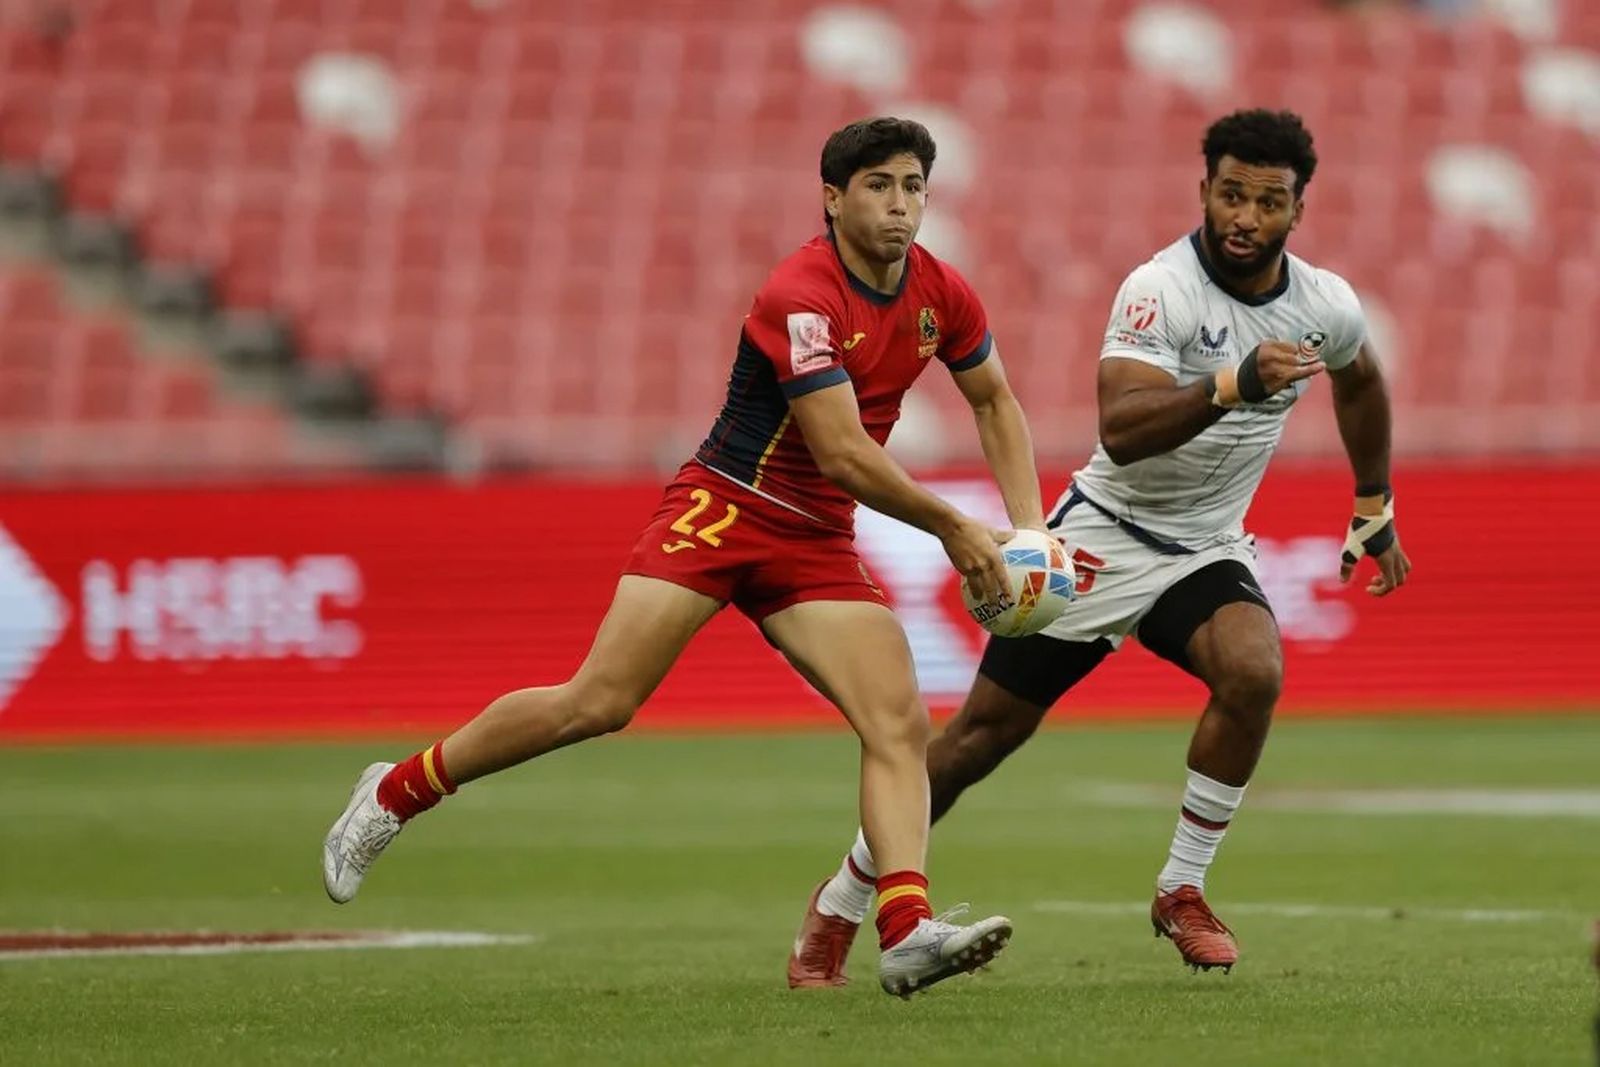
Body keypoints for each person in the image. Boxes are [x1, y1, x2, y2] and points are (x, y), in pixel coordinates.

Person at [322, 116, 1054, 997]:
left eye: (913, 188)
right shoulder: (802, 293)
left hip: (814, 538)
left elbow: (995, 400)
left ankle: (904, 927)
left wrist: (1029, 531)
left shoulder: (943, 290)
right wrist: (956, 527)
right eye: (879, 187)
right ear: (833, 197)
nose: (901, 207)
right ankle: (396, 792)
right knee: (599, 701)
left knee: (897, 719)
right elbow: (843, 452)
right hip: (725, 506)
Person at [787, 108, 1413, 985]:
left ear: (1297, 210)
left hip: (1204, 548)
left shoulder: (1325, 305)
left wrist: (1374, 496)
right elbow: (1121, 430)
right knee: (977, 742)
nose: (1244, 217)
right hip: (1101, 538)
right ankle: (842, 903)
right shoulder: (1158, 288)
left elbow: (1362, 382)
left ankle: (1182, 889)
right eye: (1229, 194)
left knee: (1254, 670)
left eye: (1267, 202)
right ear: (1203, 190)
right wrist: (1232, 383)